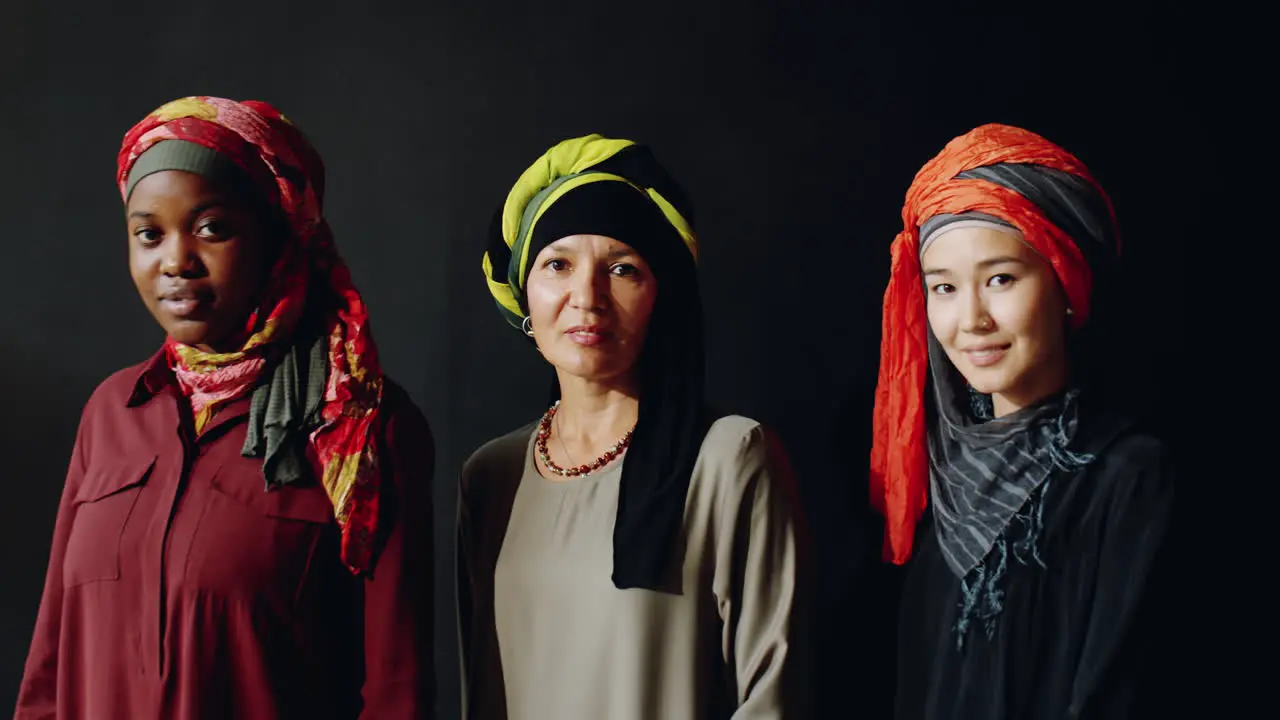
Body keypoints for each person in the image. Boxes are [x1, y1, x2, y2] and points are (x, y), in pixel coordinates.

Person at [14, 96, 435, 719]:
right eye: (148, 234)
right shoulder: (112, 413)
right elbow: (50, 667)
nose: (176, 261)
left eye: (212, 228)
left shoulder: (361, 422)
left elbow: (397, 691)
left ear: (278, 235)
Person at [458, 134, 808, 719]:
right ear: (525, 291)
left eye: (622, 269)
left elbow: (774, 697)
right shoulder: (491, 477)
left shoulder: (728, 458)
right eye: (558, 265)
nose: (587, 297)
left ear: (660, 296)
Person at [869, 123, 1174, 719]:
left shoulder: (1126, 475)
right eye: (944, 288)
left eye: (1001, 279)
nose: (972, 319)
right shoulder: (939, 476)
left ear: (1063, 281)